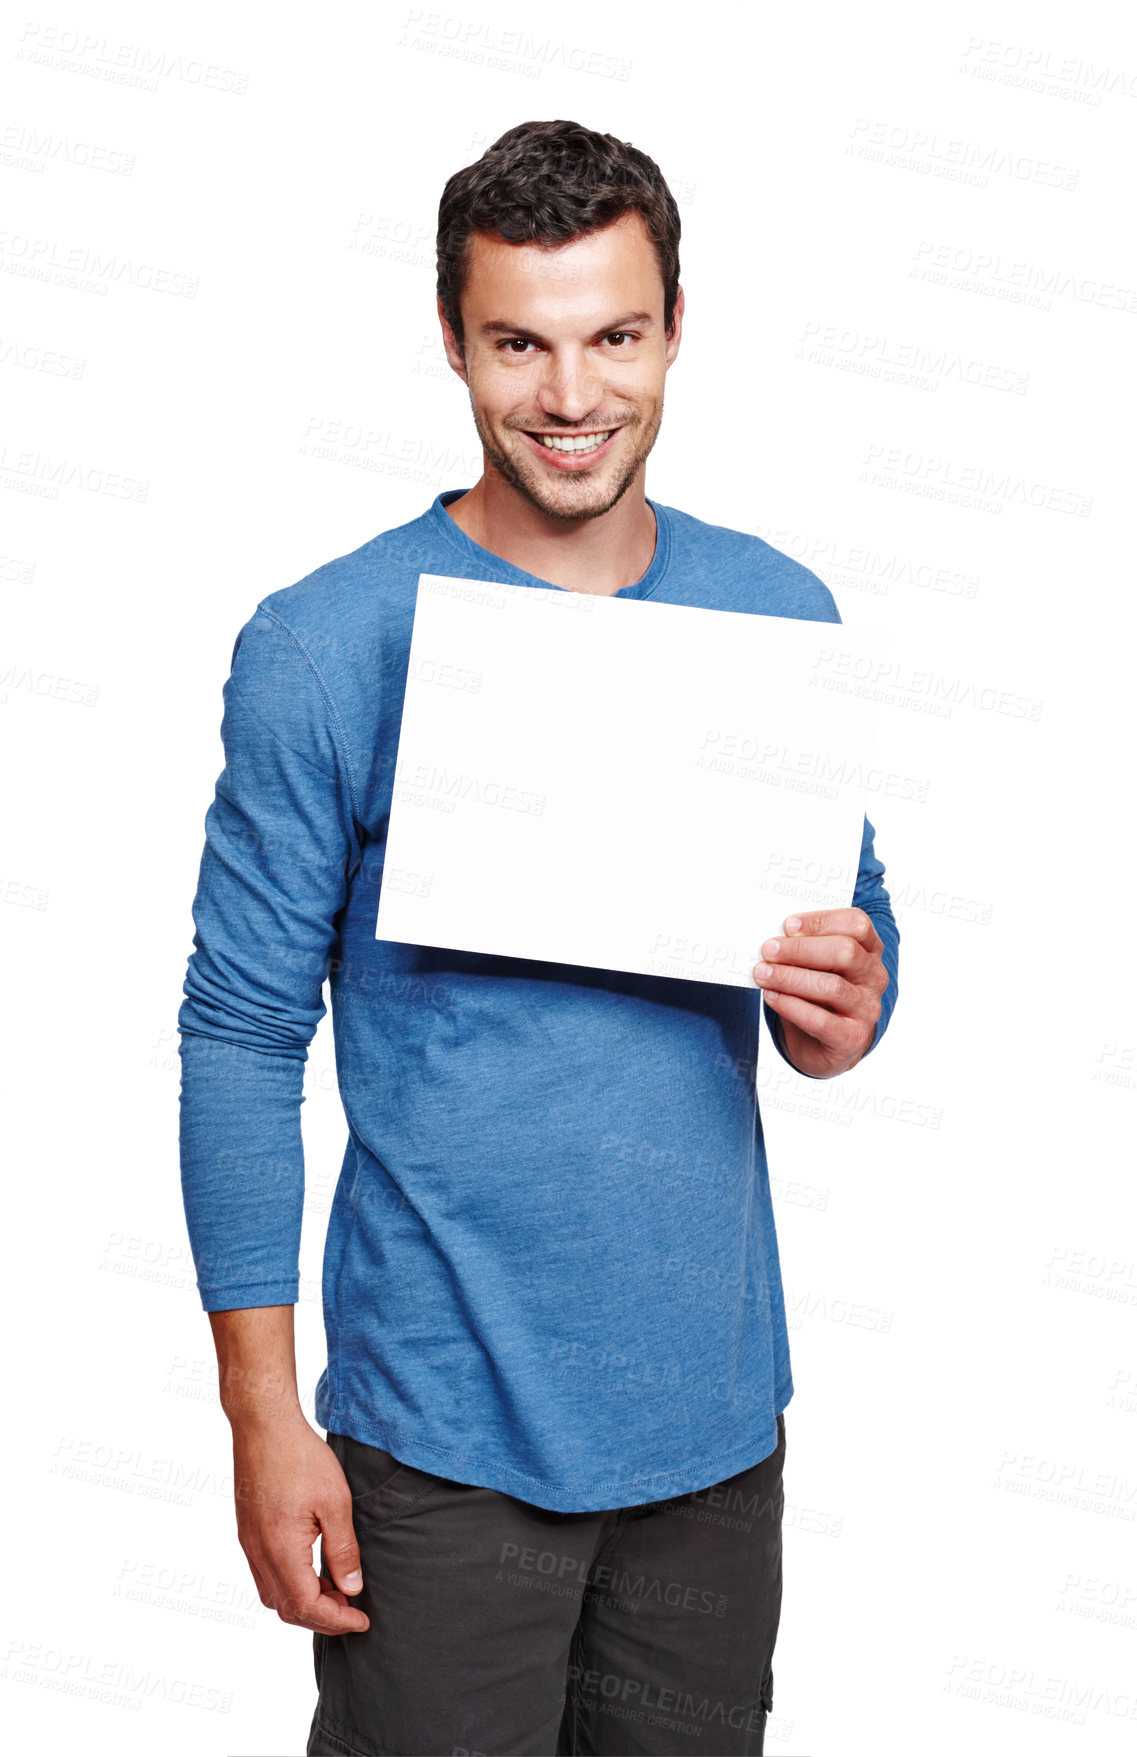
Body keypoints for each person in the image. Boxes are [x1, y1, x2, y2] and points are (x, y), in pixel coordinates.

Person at [177, 119, 899, 1757]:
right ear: (452, 340)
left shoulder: (774, 616)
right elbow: (236, 1036)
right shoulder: (323, 644)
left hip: (711, 1436)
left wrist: (849, 1005)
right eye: (519, 341)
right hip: (438, 1448)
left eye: (611, 336)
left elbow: (851, 949)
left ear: (674, 327)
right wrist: (260, 1414)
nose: (570, 395)